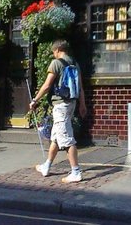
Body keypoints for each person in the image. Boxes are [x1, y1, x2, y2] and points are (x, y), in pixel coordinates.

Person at [29, 39, 87, 184]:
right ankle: (46, 166)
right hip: (71, 103)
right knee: (56, 136)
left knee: (67, 139)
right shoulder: (74, 63)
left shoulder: (56, 63)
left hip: (60, 106)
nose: (53, 54)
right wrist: (82, 104)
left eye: (54, 52)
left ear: (58, 50)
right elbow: (80, 87)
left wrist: (35, 100)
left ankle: (76, 172)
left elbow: (47, 85)